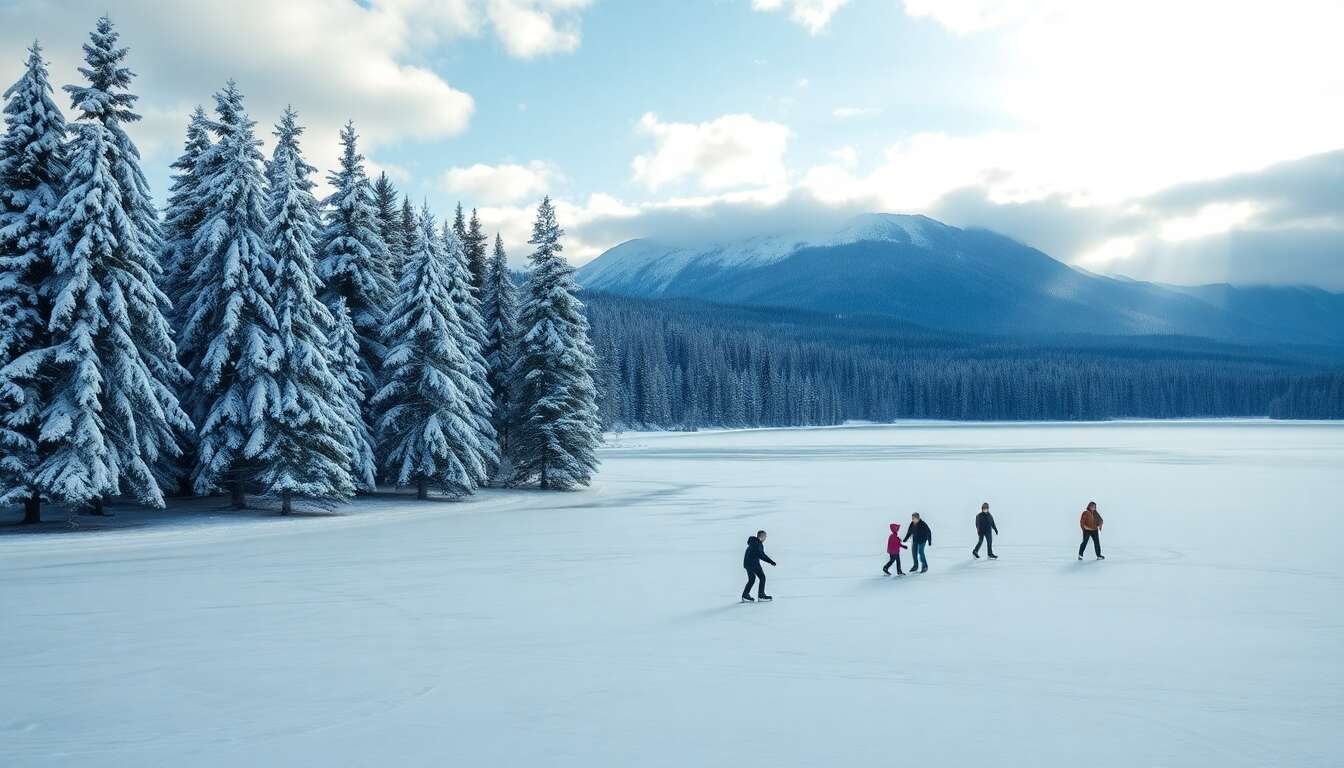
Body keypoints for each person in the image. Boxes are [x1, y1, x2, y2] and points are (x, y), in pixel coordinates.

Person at [742, 530, 776, 601]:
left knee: (752, 579)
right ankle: (761, 595)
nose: (765, 538)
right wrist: (771, 562)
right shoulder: (758, 544)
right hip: (753, 564)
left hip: (747, 563)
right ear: (762, 536)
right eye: (765, 536)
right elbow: (761, 555)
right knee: (762, 577)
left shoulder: (753, 542)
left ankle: (745, 595)